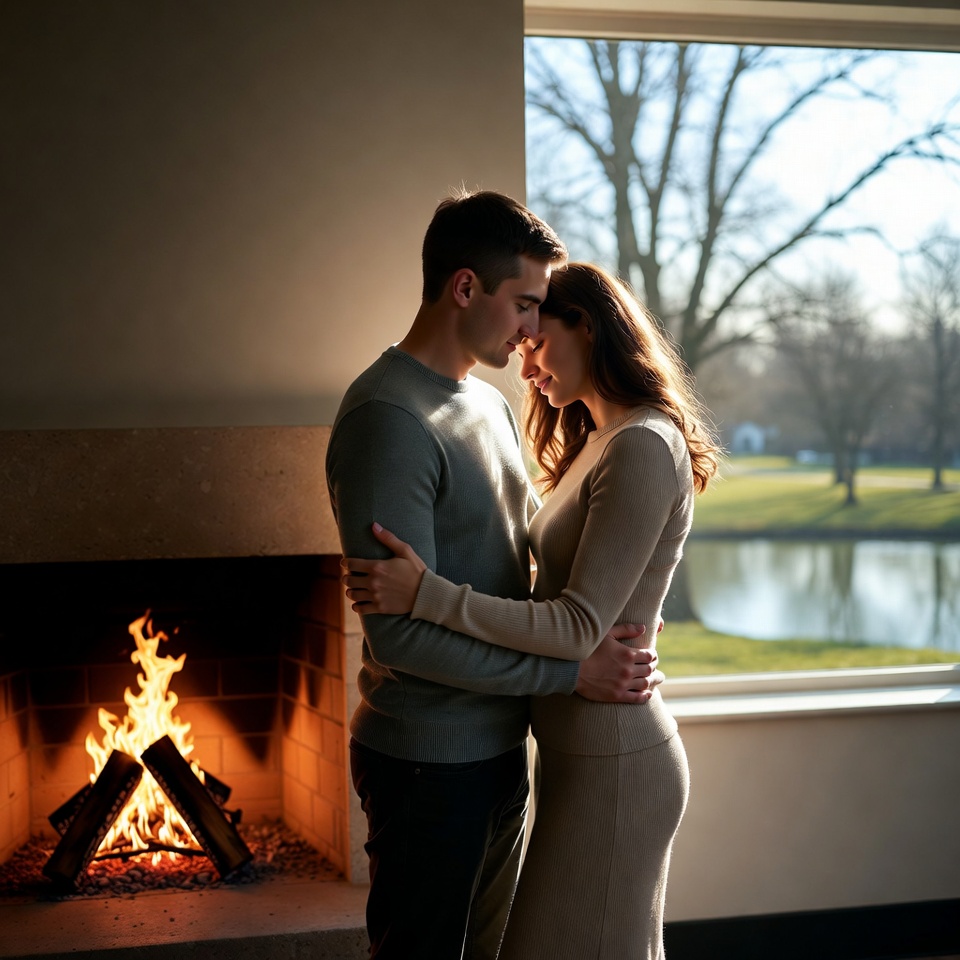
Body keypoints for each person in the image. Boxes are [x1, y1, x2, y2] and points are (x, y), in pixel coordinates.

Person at [342, 261, 721, 959]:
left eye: (537, 342)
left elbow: (578, 626)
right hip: (578, 755)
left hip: (613, 760)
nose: (528, 367)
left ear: (588, 326)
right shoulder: (601, 438)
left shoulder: (640, 442)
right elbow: (581, 597)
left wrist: (428, 594)